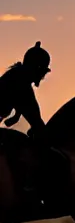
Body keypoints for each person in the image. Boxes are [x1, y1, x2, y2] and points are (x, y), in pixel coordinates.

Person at [0, 41, 54, 205]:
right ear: (37, 68)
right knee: (21, 145)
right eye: (42, 72)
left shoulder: (17, 76)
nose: (42, 77)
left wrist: (16, 117)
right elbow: (34, 116)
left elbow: (19, 103)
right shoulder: (21, 82)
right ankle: (26, 188)